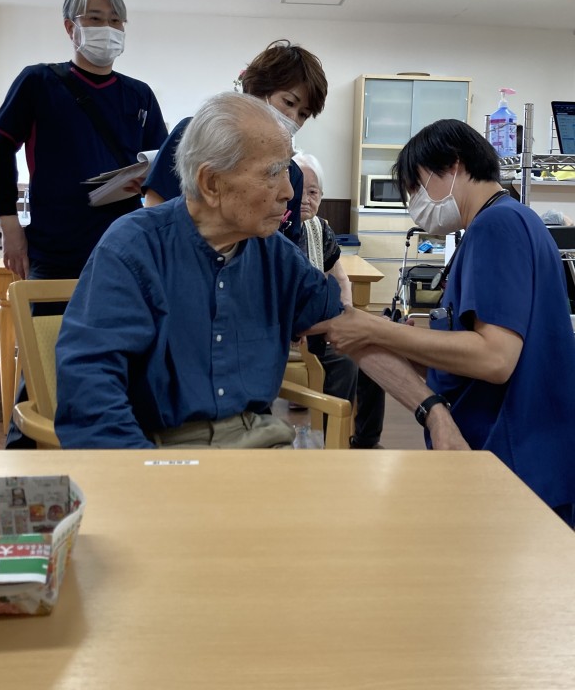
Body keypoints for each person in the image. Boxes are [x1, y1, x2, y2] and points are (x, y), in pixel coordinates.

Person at [307, 119, 575, 525]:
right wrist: (398, 343)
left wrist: (379, 329)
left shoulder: (498, 226)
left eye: (416, 187)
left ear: (452, 164)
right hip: (525, 452)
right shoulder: (507, 222)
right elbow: (471, 356)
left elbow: (494, 359)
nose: (415, 203)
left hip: (516, 458)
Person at [54, 92, 348, 449]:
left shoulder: (274, 254)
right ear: (211, 184)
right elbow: (91, 391)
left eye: (287, 170)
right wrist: (147, 470)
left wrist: (421, 392)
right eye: (273, 173)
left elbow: (340, 320)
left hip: (262, 444)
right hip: (166, 450)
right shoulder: (134, 249)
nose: (289, 191)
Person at [0, 0, 168, 281]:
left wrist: (147, 183)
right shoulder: (38, 82)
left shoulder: (139, 94)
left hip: (124, 249)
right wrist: (10, 226)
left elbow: (161, 163)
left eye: (115, 20)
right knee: (50, 315)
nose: (107, 28)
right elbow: (0, 152)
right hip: (55, 250)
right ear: (71, 28)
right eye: (95, 18)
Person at [142, 39, 328, 244]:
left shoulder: (293, 175)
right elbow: (154, 216)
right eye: (289, 102)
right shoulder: (194, 136)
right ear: (258, 91)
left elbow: (285, 250)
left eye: (303, 114)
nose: (293, 118)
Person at [292, 152, 385, 448]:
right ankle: (331, 441)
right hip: (293, 329)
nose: (305, 199)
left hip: (323, 322)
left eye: (313, 192)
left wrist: (346, 314)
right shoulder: (273, 230)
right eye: (299, 189)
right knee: (345, 360)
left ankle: (366, 440)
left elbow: (341, 279)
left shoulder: (320, 229)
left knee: (376, 343)